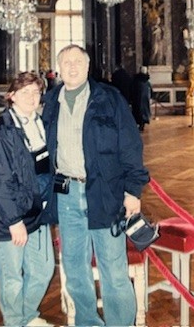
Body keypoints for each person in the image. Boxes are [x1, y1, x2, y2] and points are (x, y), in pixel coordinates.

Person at [42, 44, 149, 327]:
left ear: (88, 67)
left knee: (113, 268)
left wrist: (133, 190)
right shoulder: (51, 101)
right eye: (66, 62)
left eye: (78, 61)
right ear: (58, 69)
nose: (72, 67)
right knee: (75, 267)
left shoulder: (109, 98)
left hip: (105, 193)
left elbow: (130, 146)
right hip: (66, 194)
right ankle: (88, 322)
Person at [0, 71, 56, 327]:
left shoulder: (40, 123)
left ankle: (27, 316)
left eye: (36, 92)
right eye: (25, 92)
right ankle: (14, 322)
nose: (32, 97)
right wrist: (14, 221)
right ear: (11, 96)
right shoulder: (2, 132)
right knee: (12, 278)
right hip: (6, 218)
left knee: (43, 269)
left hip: (36, 211)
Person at [131, 66, 153, 131]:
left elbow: (132, 89)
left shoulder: (136, 80)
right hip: (144, 99)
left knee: (138, 111)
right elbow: (150, 90)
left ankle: (140, 124)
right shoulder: (147, 82)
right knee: (143, 112)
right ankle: (142, 123)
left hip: (137, 99)